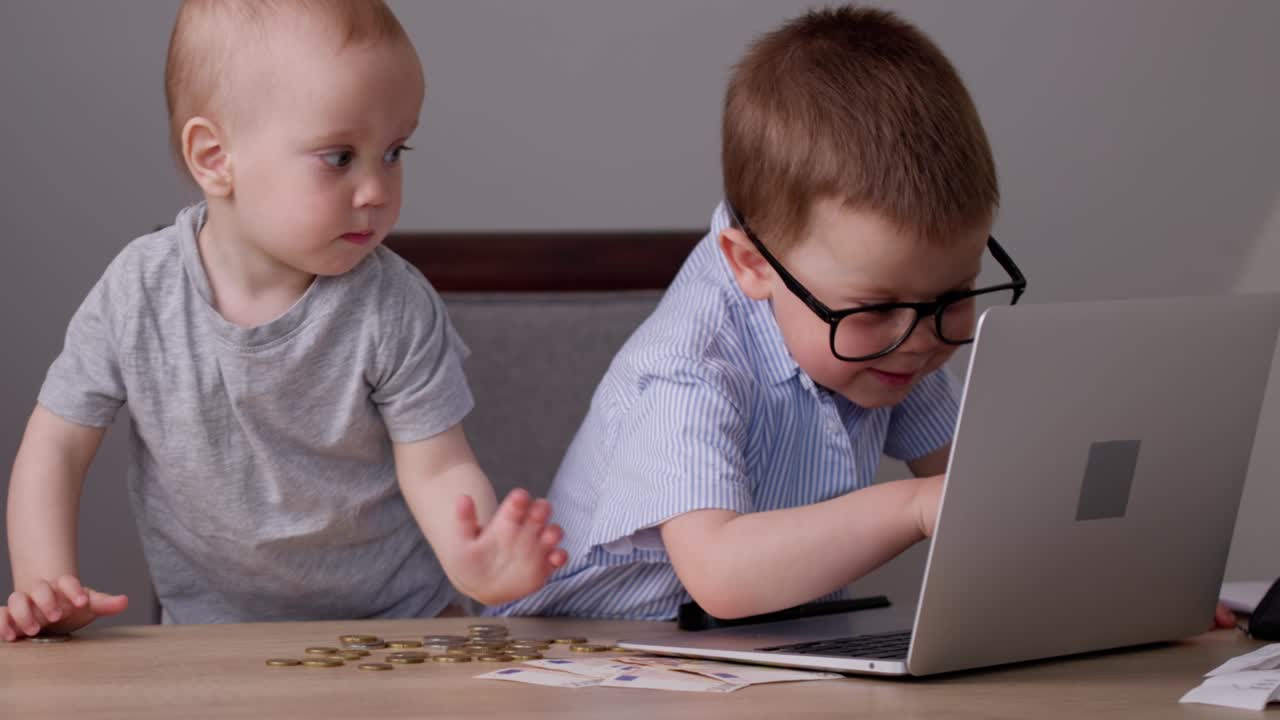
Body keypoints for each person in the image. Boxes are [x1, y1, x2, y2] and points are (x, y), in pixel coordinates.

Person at [2, 0, 565, 640]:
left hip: (398, 624)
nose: (377, 188)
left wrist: (476, 560)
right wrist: (43, 579)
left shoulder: (394, 304)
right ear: (215, 157)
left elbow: (437, 466)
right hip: (211, 634)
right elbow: (56, 441)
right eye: (338, 157)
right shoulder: (140, 291)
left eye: (394, 151)